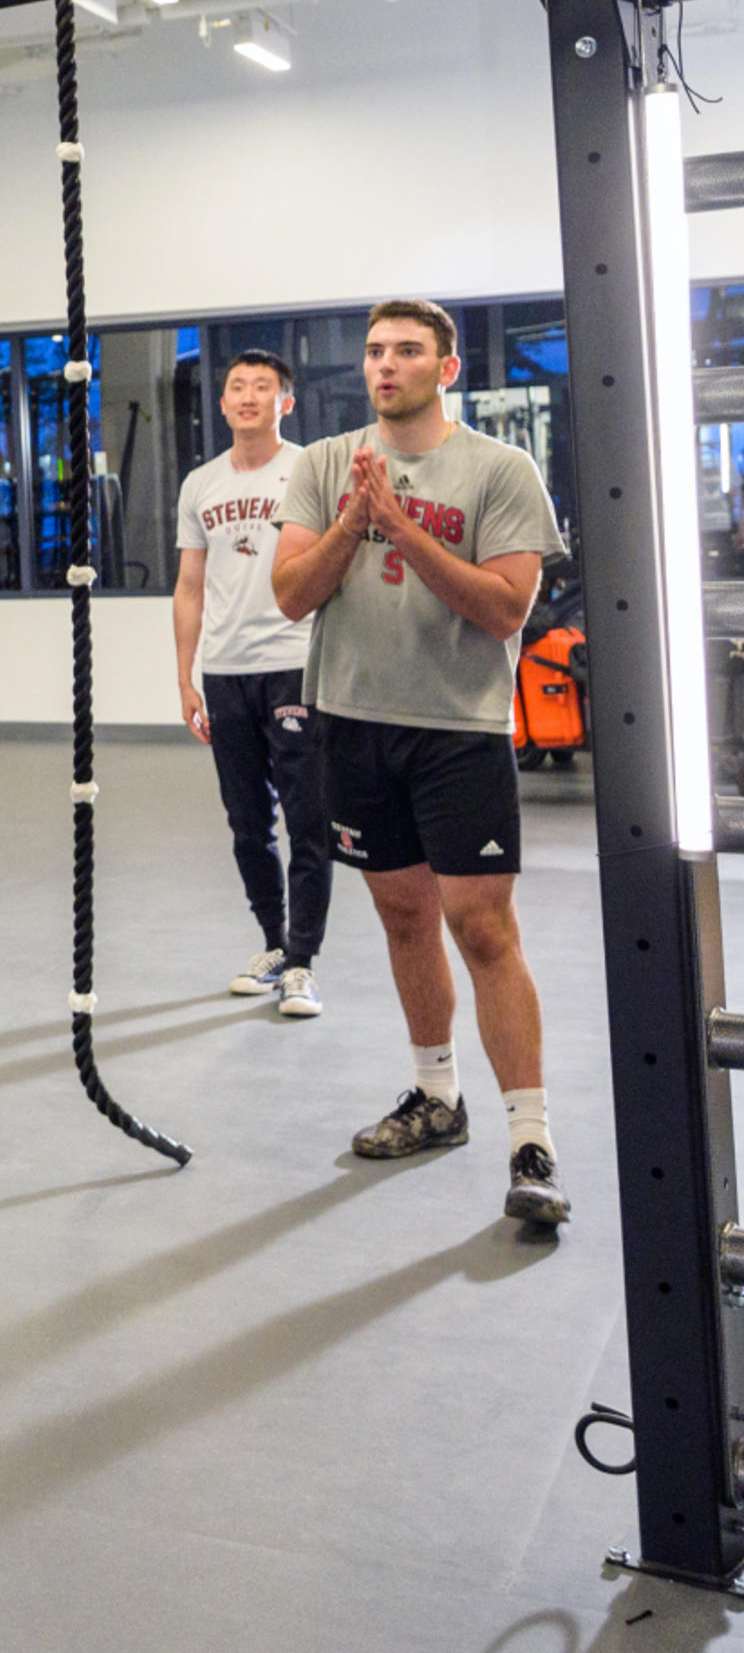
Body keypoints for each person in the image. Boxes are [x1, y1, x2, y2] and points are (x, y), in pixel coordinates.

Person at [273, 299, 571, 1228]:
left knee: (482, 928)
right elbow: (291, 594)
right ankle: (436, 1098)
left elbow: (506, 610)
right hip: (352, 722)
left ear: (445, 367)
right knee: (404, 916)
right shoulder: (326, 465)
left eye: (407, 350)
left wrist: (404, 531)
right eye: (373, 351)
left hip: (459, 729)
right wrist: (355, 522)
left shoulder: (499, 469)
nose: (385, 365)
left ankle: (533, 1141)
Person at [173, 349, 328, 1016]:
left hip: (295, 662)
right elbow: (188, 587)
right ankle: (273, 941)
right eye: (236, 387)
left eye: (262, 388)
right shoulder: (199, 484)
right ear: (222, 402)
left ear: (283, 403)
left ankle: (302, 962)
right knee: (246, 824)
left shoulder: (308, 471)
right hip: (226, 670)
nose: (246, 396)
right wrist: (186, 677)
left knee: (306, 819)